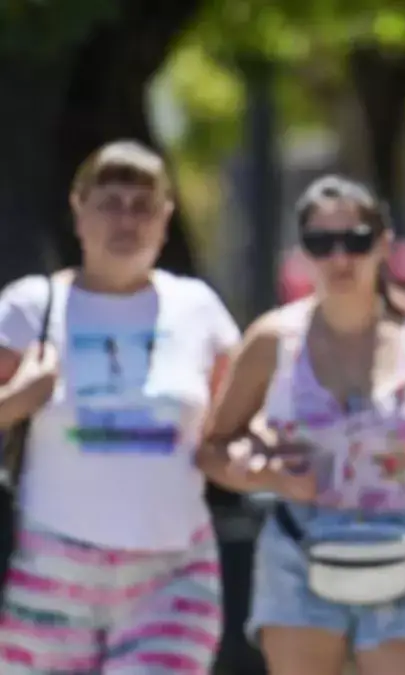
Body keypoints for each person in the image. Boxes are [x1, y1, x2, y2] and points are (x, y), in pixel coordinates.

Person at [196, 175, 405, 675]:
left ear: (384, 243)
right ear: (302, 251)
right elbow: (212, 449)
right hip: (297, 550)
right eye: (321, 242)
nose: (340, 257)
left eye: (356, 240)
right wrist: (265, 476)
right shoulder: (273, 340)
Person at [0, 140, 240, 673]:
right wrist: (17, 399)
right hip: (49, 573)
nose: (126, 221)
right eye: (110, 203)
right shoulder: (30, 307)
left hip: (171, 575)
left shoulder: (197, 309)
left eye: (142, 206)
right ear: (78, 209)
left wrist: (254, 459)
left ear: (166, 218)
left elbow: (238, 427)